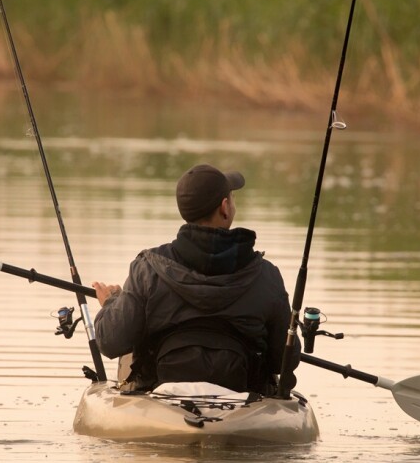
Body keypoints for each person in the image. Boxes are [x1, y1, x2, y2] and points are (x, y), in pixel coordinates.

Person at [92, 163, 299, 395]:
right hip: (242, 401)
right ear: (225, 208)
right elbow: (283, 360)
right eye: (232, 198)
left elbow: (111, 342)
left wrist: (111, 303)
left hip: (159, 401)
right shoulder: (266, 275)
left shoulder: (147, 269)